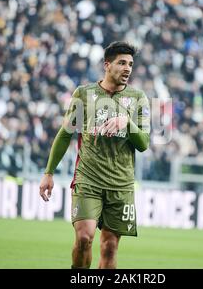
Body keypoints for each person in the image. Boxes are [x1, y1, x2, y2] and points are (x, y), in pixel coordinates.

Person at [39, 41, 151, 269]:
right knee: (84, 238)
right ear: (107, 65)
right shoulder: (84, 94)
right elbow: (64, 135)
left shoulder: (138, 98)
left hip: (120, 184)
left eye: (130, 64)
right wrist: (48, 172)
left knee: (109, 247)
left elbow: (144, 144)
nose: (127, 68)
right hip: (88, 179)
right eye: (122, 63)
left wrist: (127, 123)